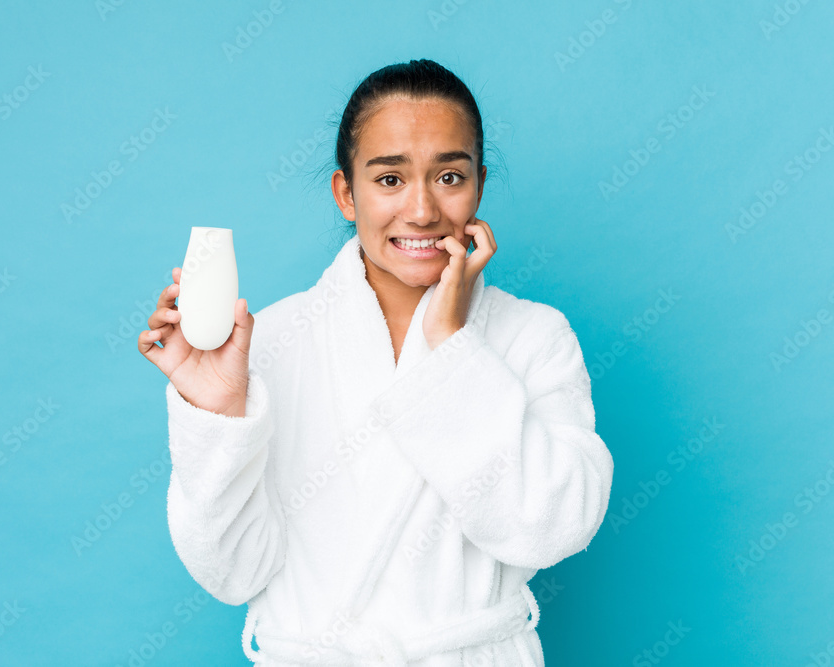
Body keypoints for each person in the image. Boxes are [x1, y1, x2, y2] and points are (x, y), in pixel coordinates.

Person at [139, 58, 614, 666]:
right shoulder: (274, 341)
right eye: (390, 180)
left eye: (449, 177)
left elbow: (553, 527)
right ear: (346, 193)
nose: (421, 210)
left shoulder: (533, 337)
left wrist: (451, 348)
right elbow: (231, 573)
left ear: (480, 186)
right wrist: (219, 412)